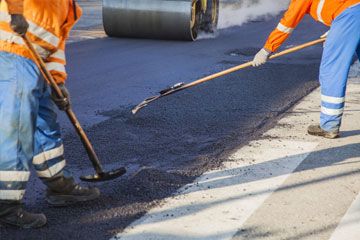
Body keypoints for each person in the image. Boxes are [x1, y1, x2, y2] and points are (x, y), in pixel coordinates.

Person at [0, 0, 100, 228]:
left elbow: (55, 47)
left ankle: (59, 186)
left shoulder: (68, 8)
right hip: (12, 51)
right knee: (17, 126)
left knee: (45, 123)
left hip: (36, 62)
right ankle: (6, 204)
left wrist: (57, 83)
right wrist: (15, 12)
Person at [253, 0, 360, 139]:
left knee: (332, 69)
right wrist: (337, 30)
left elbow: (288, 23)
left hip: (349, 16)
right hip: (351, 14)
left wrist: (267, 49)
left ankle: (329, 125)